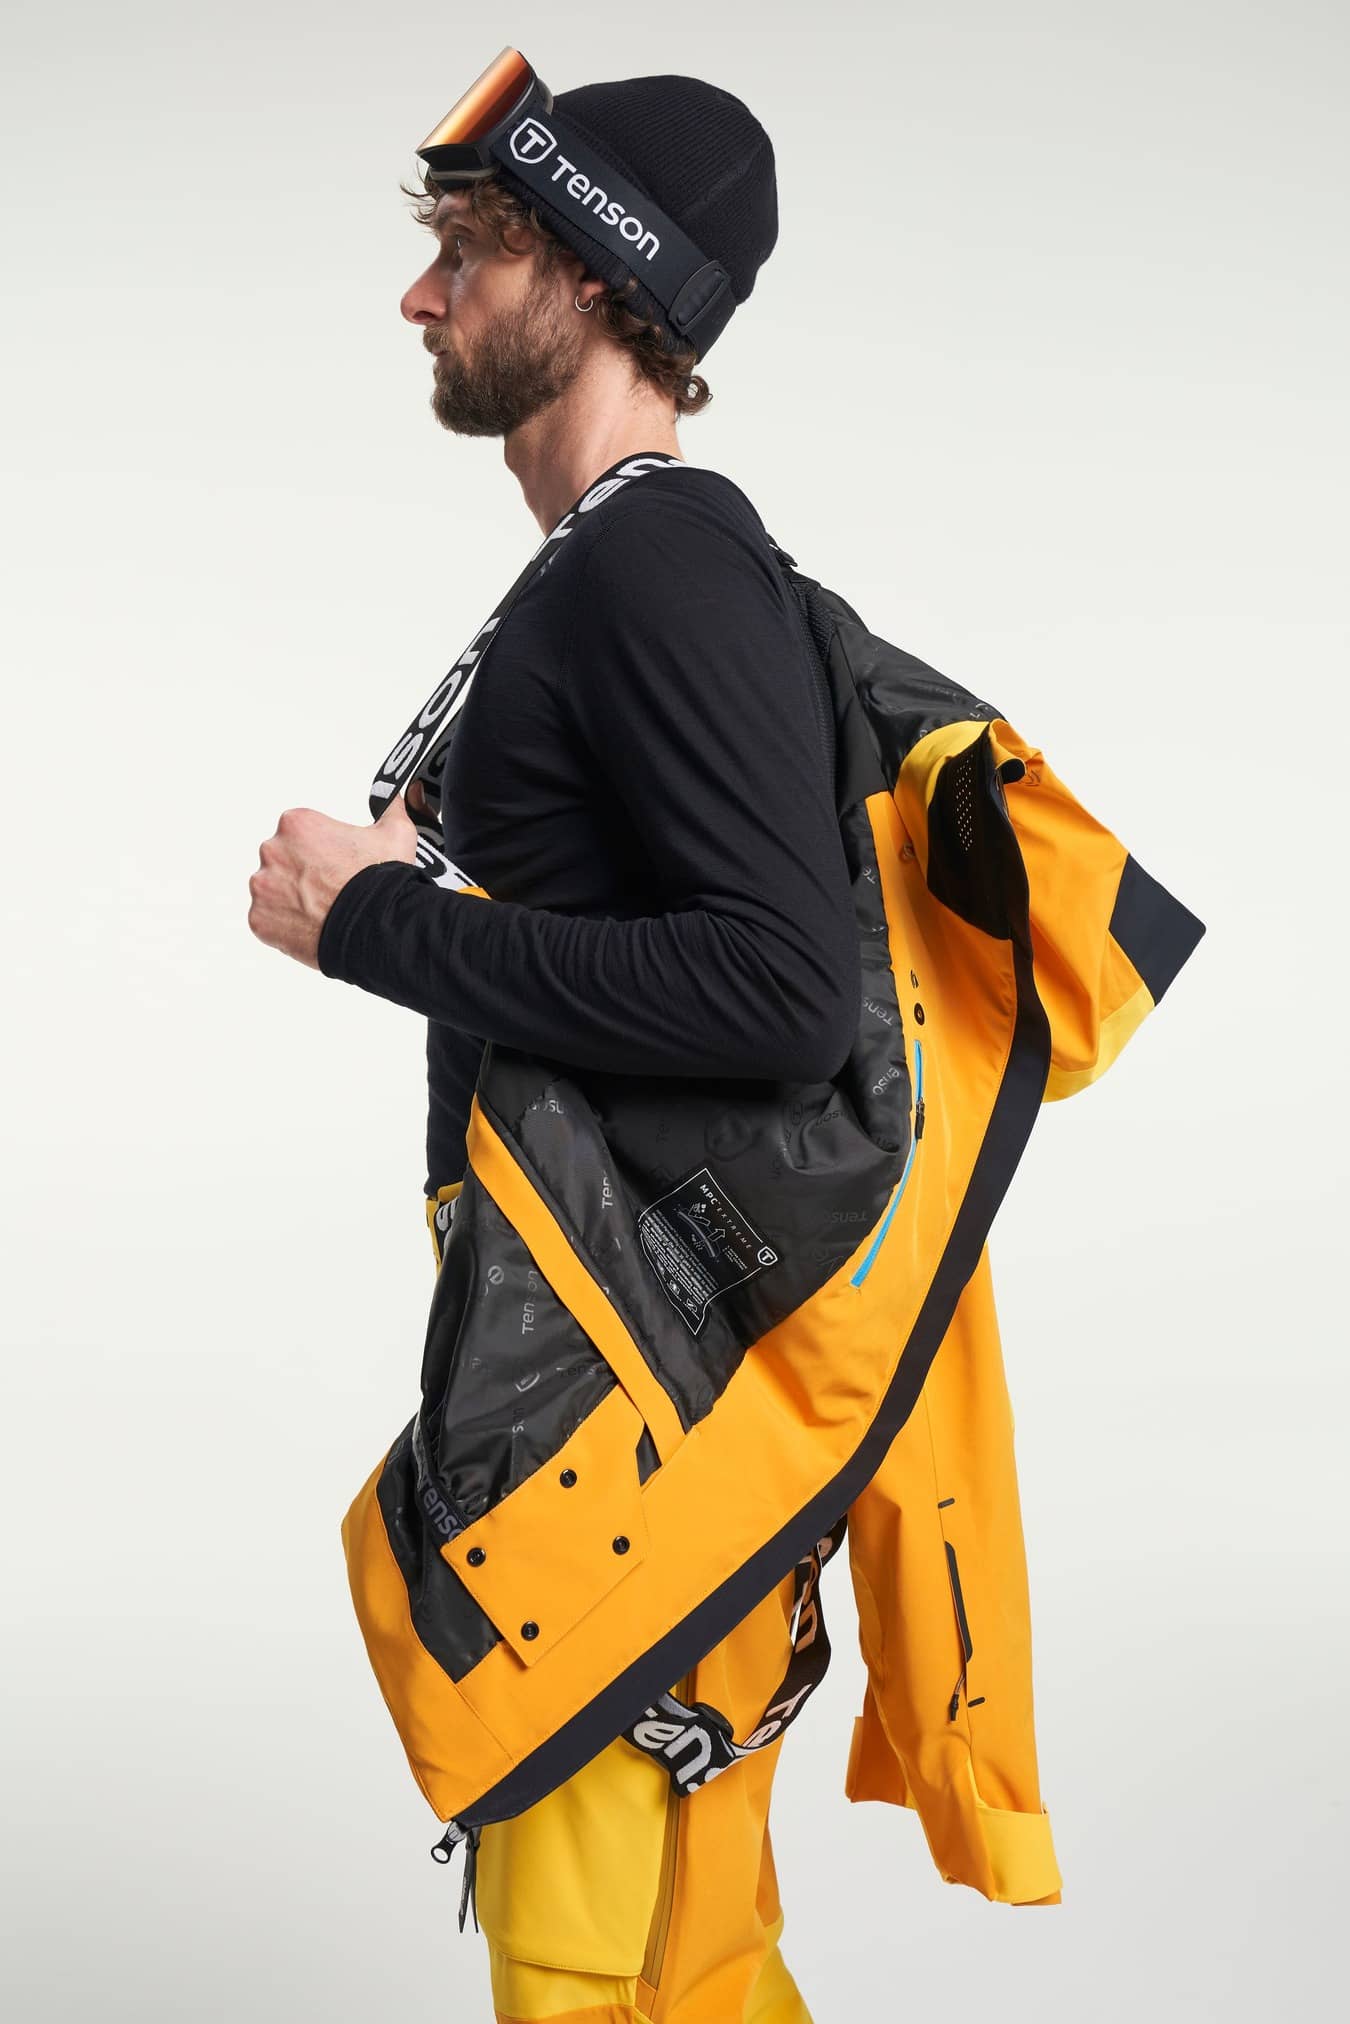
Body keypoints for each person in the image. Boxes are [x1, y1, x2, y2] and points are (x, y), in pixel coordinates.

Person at [249, 64, 853, 2024]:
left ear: (595, 279)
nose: (423, 297)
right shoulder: (607, 567)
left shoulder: (658, 564)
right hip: (611, 1399)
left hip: (624, 1429)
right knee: (681, 1965)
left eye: (472, 252)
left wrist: (377, 925)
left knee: (601, 1974)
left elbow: (781, 989)